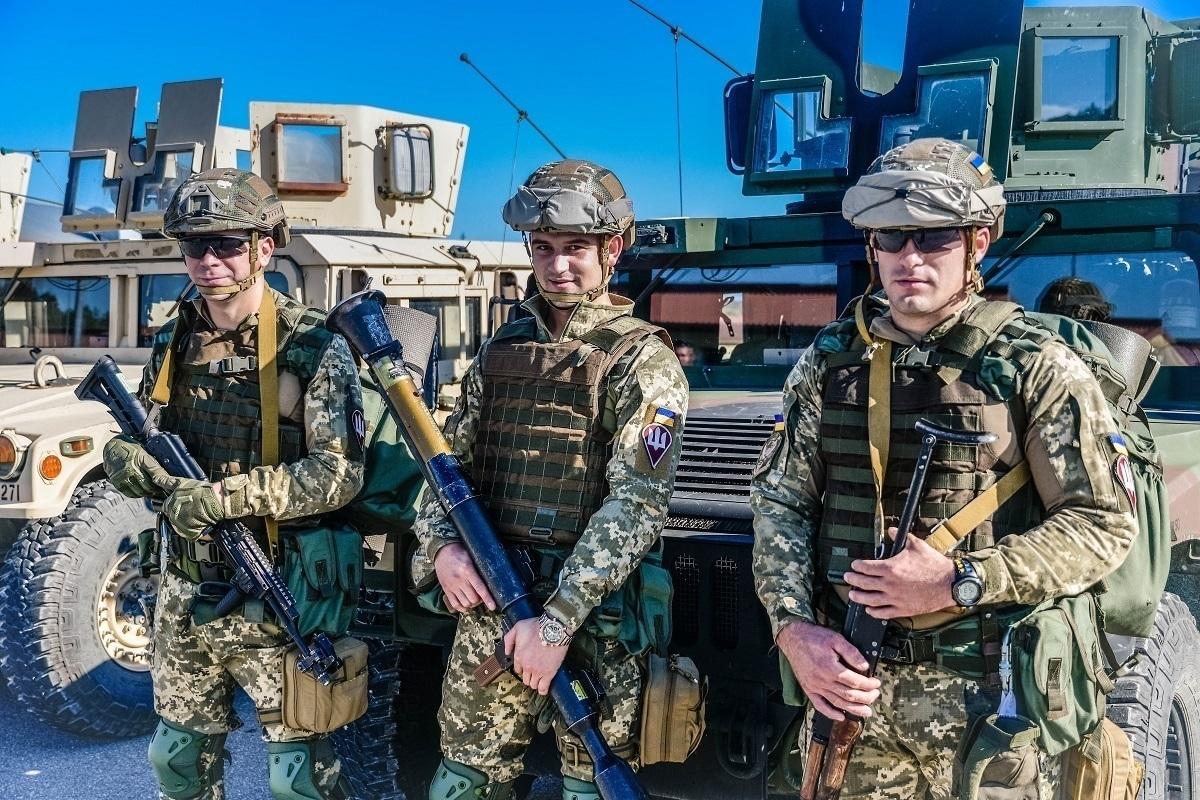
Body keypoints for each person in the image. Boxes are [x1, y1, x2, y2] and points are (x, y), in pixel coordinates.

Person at [750, 138, 1137, 799]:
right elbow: (781, 503)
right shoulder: (829, 360)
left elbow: (1102, 523)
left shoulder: (1034, 364)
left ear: (978, 242)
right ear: (872, 247)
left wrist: (960, 582)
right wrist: (793, 629)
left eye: (934, 238)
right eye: (892, 237)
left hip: (989, 704)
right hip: (850, 692)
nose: (909, 258)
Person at [411, 159, 689, 800]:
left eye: (576, 248)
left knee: (592, 785)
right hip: (494, 603)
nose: (558, 265)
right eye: (543, 248)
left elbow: (638, 504)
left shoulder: (643, 361)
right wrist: (442, 546)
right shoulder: (499, 350)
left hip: (593, 621)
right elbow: (445, 467)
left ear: (613, 249)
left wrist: (557, 623)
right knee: (463, 784)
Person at [102, 168, 365, 800]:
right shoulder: (175, 338)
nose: (209, 260)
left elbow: (339, 473)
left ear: (264, 248)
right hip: (185, 585)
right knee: (176, 760)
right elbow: (144, 430)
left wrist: (222, 499)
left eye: (226, 244)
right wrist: (123, 458)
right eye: (195, 246)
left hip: (275, 586)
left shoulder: (312, 346)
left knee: (298, 776)